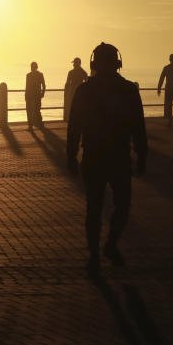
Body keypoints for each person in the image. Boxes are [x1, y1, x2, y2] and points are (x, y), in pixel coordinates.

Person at [66, 43, 146, 276]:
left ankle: (94, 256)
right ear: (117, 62)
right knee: (122, 206)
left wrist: (71, 155)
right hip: (119, 157)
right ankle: (109, 245)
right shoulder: (129, 90)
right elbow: (138, 127)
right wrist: (142, 155)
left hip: (94, 156)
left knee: (94, 207)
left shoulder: (84, 90)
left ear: (93, 63)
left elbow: (74, 127)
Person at [25, 61, 46, 129]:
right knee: (32, 110)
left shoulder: (37, 75)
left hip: (35, 95)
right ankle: (33, 124)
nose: (32, 68)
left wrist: (42, 93)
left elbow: (43, 85)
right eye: (32, 67)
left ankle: (35, 124)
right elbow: (27, 86)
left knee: (35, 110)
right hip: (32, 95)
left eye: (33, 67)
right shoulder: (30, 75)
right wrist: (42, 93)